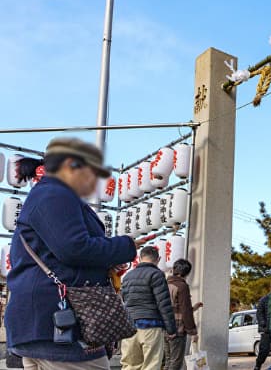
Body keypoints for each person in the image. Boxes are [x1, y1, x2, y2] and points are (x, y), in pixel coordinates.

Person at [5, 138, 137, 370]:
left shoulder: (47, 194)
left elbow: (63, 251)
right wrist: (125, 246)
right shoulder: (55, 194)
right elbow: (74, 248)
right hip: (59, 322)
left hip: (45, 322)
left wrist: (107, 258)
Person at [121, 246, 177, 370]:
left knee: (129, 366)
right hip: (151, 326)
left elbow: (124, 300)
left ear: (140, 258)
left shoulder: (127, 277)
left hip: (130, 327)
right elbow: (164, 304)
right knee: (151, 365)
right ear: (158, 259)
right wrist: (171, 329)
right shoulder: (157, 274)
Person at [164, 259, 202, 370]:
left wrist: (193, 308)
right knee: (176, 363)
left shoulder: (165, 284)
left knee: (168, 361)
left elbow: (173, 307)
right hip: (178, 330)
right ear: (186, 273)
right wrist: (193, 332)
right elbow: (185, 311)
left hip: (165, 328)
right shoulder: (182, 286)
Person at [254, 281, 271, 370]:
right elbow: (259, 313)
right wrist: (263, 323)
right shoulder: (264, 299)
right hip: (266, 330)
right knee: (264, 350)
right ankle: (258, 365)